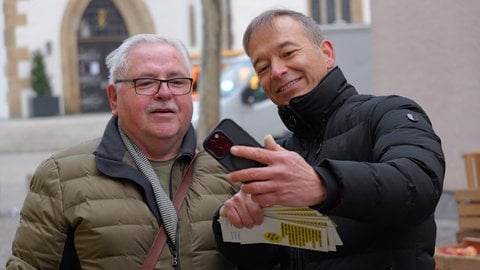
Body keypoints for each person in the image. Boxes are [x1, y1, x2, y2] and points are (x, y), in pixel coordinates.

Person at [212, 9, 445, 270]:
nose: (276, 71)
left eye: (288, 53)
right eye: (263, 67)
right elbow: (271, 257)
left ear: (327, 53)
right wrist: (239, 227)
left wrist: (324, 184)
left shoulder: (388, 113)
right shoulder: (284, 152)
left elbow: (420, 183)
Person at [7, 34, 238, 270]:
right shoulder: (59, 177)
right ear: (114, 98)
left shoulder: (230, 170)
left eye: (177, 81)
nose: (165, 92)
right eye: (146, 82)